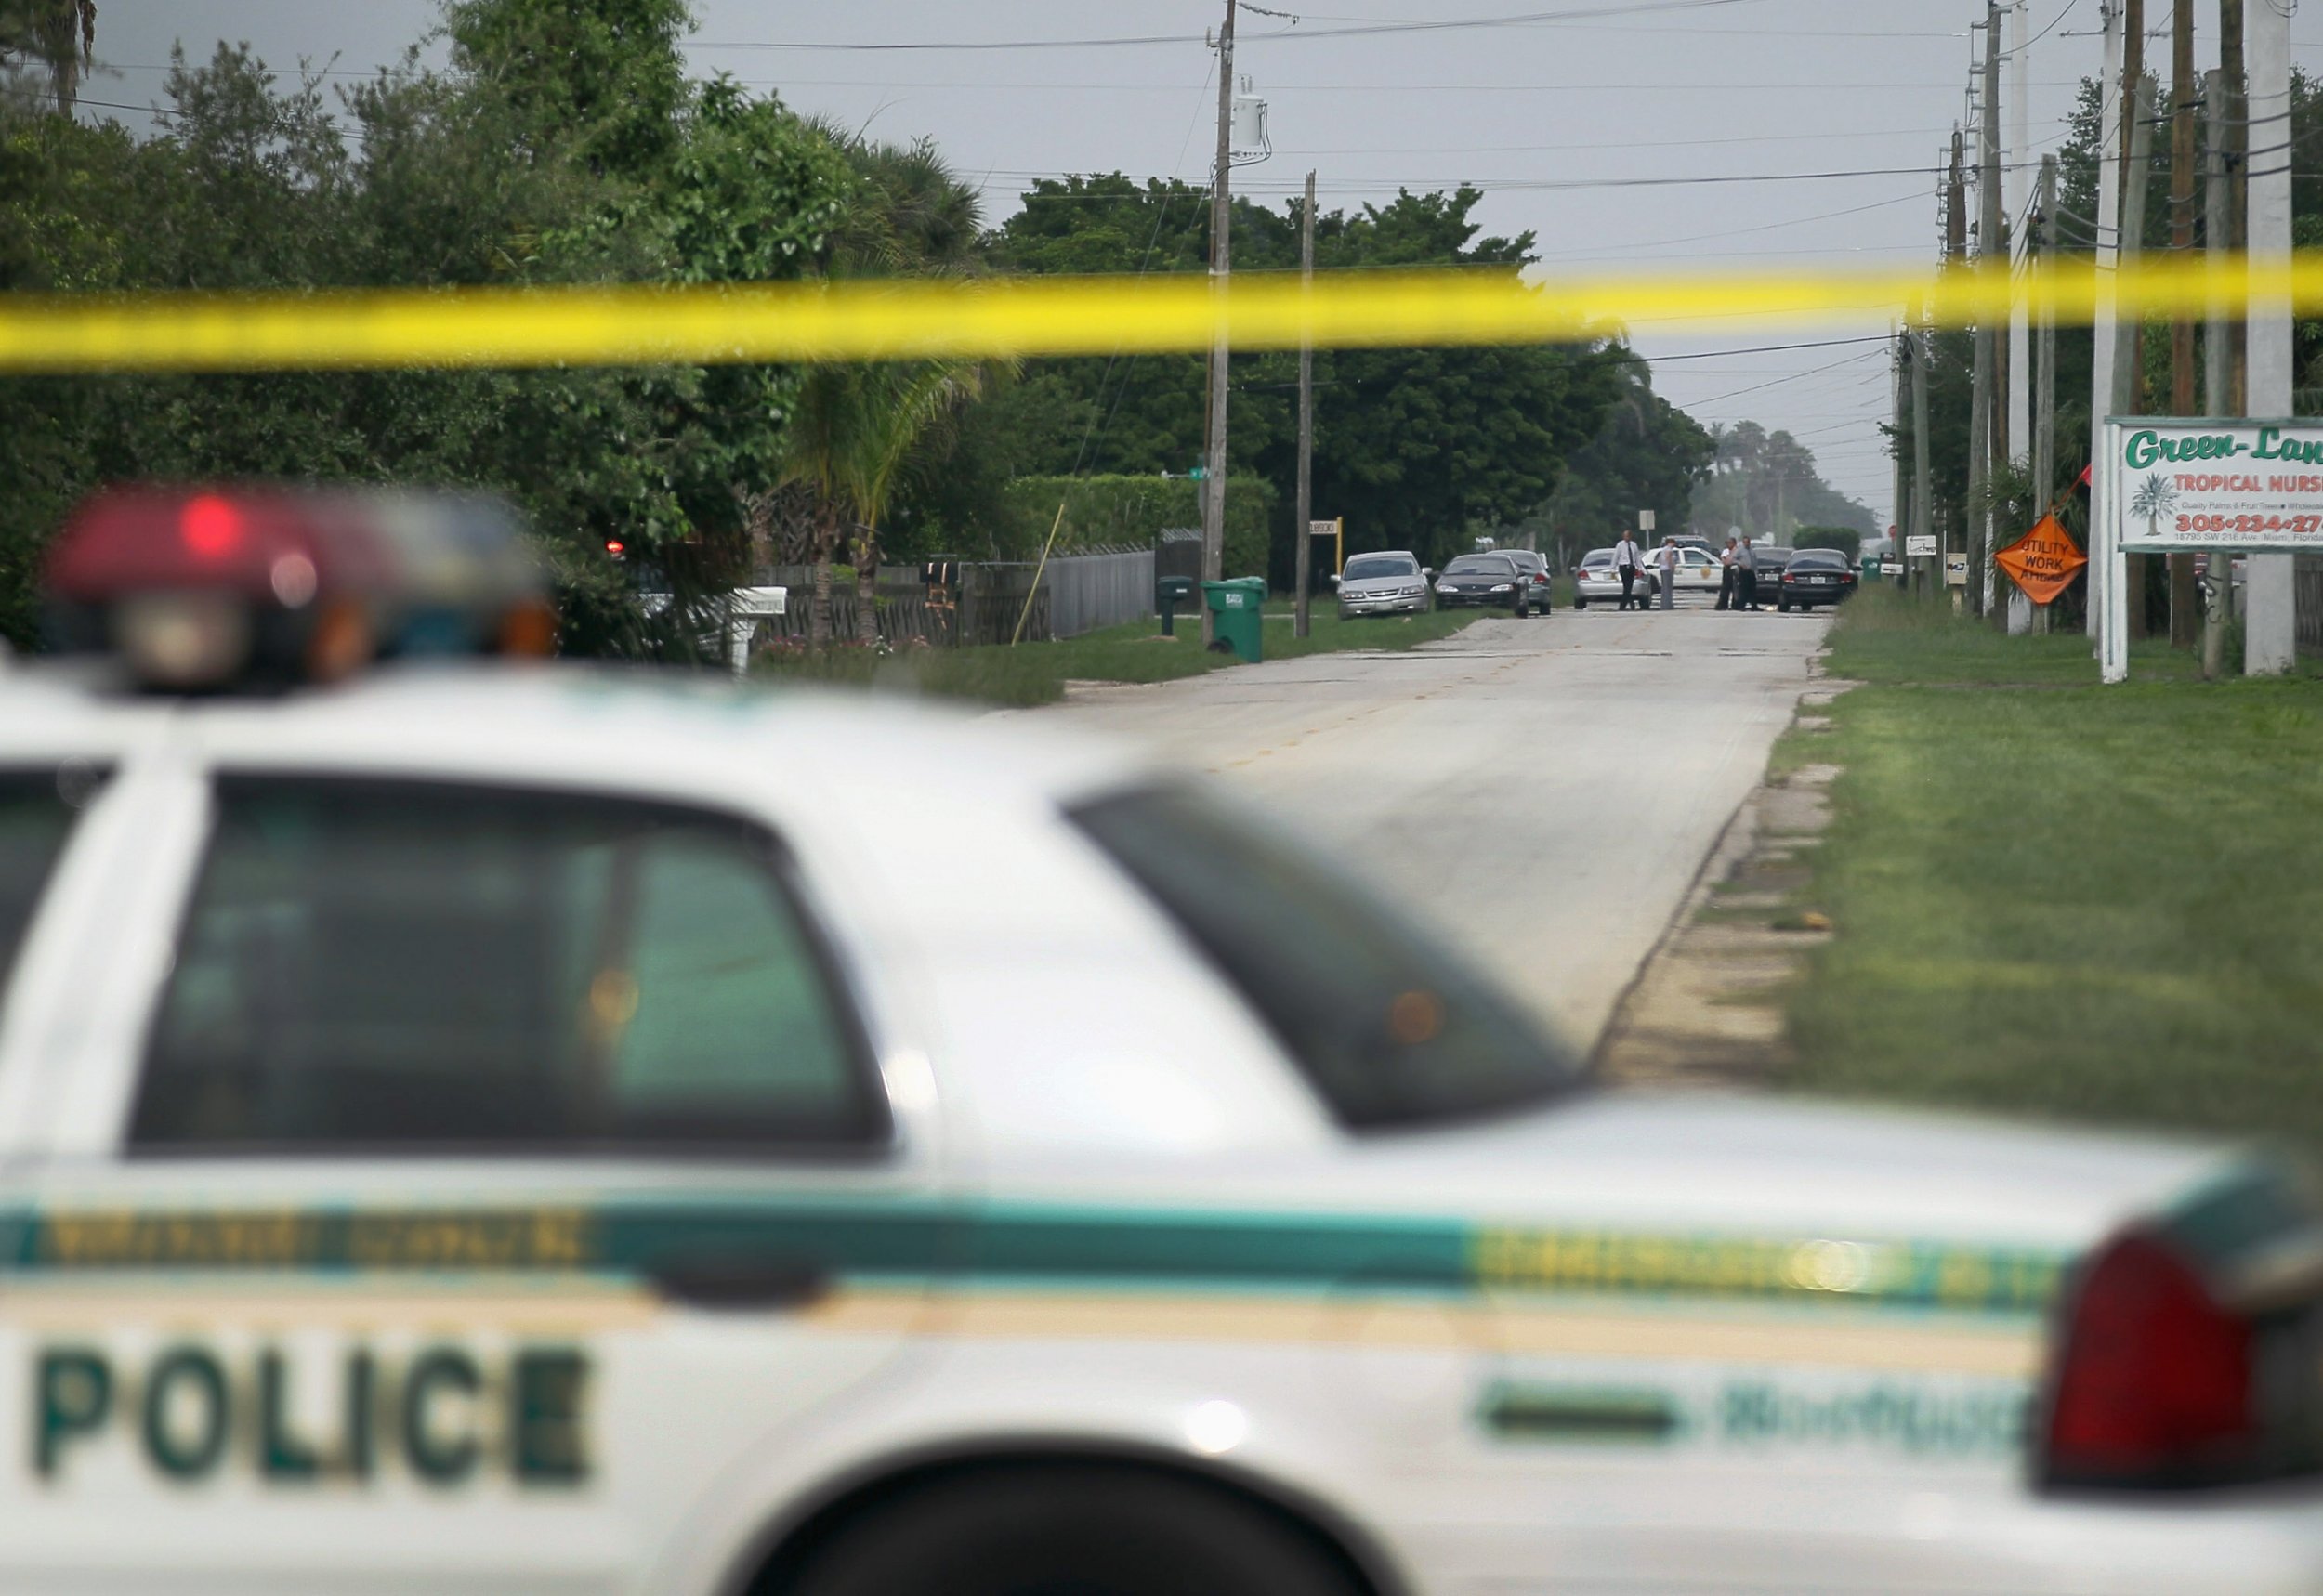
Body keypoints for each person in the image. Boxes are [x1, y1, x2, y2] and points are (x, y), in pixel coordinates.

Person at [1612, 530, 1644, 611]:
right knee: (1626, 587)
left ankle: (1626, 605)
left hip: (1632, 567)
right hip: (1623, 567)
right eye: (1624, 536)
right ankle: (1627, 605)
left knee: (1629, 587)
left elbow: (1637, 557)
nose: (1626, 537)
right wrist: (1613, 568)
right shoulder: (1620, 545)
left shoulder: (1634, 545)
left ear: (1630, 536)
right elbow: (1616, 556)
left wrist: (1640, 568)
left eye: (1627, 536)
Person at [1736, 537, 1760, 611]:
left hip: (1751, 572)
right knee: (1743, 590)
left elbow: (1755, 561)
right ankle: (1742, 606)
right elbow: (1735, 559)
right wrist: (1741, 564)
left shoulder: (1752, 551)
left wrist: (1756, 571)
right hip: (1744, 572)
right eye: (1745, 542)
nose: (1747, 543)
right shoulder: (1740, 550)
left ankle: (1754, 606)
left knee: (1752, 590)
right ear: (1743, 542)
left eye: (1748, 542)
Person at [1657, 537, 1680, 610]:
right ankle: (1667, 605)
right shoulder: (1669, 549)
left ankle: (1664, 605)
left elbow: (1660, 560)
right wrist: (1671, 567)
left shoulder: (1663, 549)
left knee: (1664, 587)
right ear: (1670, 543)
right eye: (1673, 543)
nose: (1674, 545)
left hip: (1662, 568)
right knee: (1668, 588)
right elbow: (1669, 559)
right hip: (1667, 569)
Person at [1716, 537, 1739, 610]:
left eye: (1730, 543)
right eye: (1727, 543)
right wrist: (1730, 559)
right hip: (1727, 571)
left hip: (1735, 571)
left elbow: (1732, 561)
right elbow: (1725, 562)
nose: (1728, 544)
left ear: (1734, 543)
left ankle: (1735, 605)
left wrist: (1729, 559)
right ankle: (1723, 605)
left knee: (1735, 588)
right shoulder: (1725, 551)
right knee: (1725, 588)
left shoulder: (1737, 551)